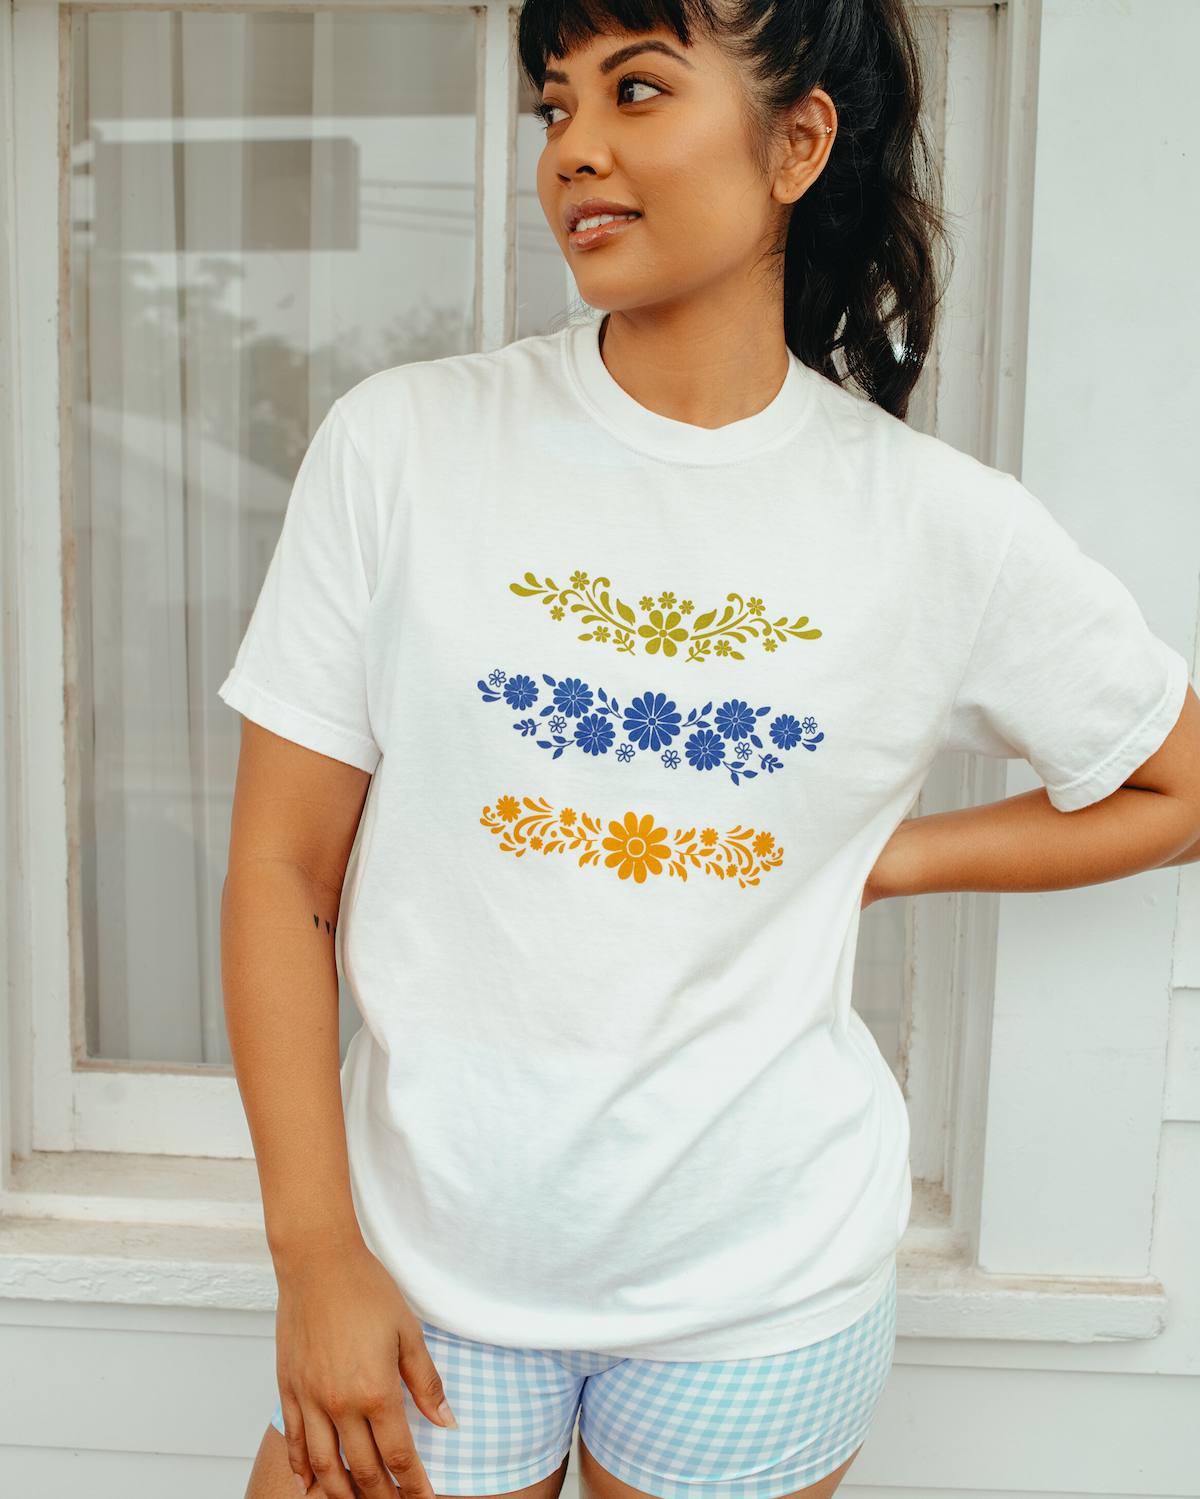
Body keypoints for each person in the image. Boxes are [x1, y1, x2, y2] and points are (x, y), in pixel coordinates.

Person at [223, 1, 1200, 1496]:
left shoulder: (938, 524)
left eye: (635, 90)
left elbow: (1173, 785)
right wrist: (313, 1253)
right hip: (420, 1275)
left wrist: (889, 860)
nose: (577, 150)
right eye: (557, 106)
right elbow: (285, 872)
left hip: (758, 1297)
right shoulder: (405, 446)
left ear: (798, 142)